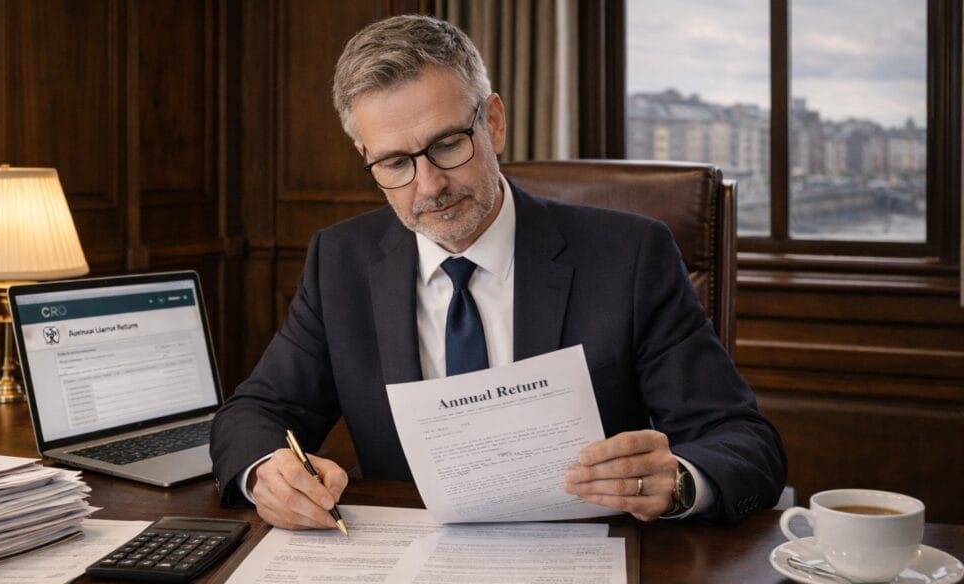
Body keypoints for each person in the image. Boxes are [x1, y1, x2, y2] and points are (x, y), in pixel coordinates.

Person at [210, 14, 785, 529]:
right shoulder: (342, 261)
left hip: (584, 569)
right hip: (407, 571)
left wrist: (678, 481)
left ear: (494, 122)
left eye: (447, 145)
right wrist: (268, 472)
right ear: (367, 158)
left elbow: (745, 443)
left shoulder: (629, 255)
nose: (429, 185)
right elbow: (255, 413)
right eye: (394, 163)